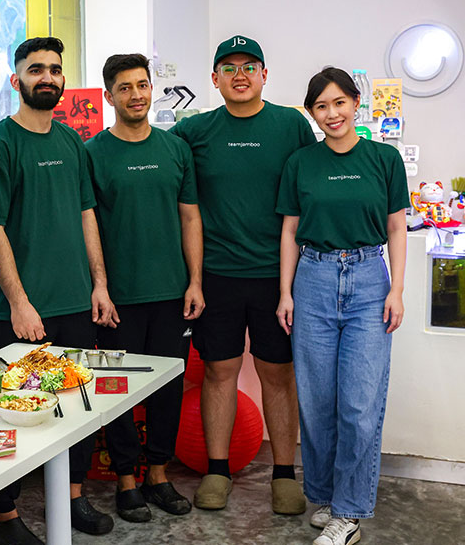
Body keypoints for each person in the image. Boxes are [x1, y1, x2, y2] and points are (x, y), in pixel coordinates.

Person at [0, 36, 117, 544]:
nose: (48, 78)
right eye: (36, 70)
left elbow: (86, 215)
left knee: (75, 408)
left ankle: (72, 498)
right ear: (16, 81)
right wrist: (18, 301)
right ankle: (5, 518)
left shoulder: (70, 142)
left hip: (74, 303)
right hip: (21, 312)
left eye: (55, 69)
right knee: (17, 413)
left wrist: (99, 285)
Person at [169, 35, 315, 514]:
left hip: (279, 279)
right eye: (228, 67)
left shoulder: (291, 125)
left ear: (264, 75)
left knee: (278, 374)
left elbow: (311, 188)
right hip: (216, 276)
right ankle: (216, 470)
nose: (239, 75)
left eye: (250, 66)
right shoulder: (195, 131)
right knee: (218, 372)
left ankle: (283, 475)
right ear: (215, 79)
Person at [275, 67, 407, 545]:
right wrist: (286, 292)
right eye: (321, 106)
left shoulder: (383, 158)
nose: (332, 114)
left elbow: (395, 228)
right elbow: (290, 231)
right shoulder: (301, 163)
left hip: (370, 280)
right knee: (317, 401)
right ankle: (329, 497)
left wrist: (396, 290)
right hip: (313, 278)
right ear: (312, 113)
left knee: (358, 402)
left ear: (356, 103)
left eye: (339, 103)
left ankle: (349, 515)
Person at [86, 53, 203, 522]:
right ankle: (127, 481)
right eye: (125, 87)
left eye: (142, 85)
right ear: (109, 95)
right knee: (119, 390)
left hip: (172, 293)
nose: (136, 95)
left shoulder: (175, 149)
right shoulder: (93, 153)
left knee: (167, 391)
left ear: (152, 88)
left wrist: (195, 281)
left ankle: (158, 473)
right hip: (119, 299)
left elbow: (190, 216)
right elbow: (87, 223)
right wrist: (100, 286)